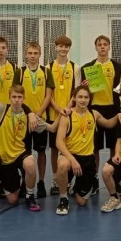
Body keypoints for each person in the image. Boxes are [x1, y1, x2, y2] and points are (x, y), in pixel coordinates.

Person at [0, 85, 56, 211]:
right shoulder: (1, 109)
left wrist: (65, 111)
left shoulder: (30, 117)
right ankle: (5, 184)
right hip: (5, 158)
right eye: (14, 97)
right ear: (9, 98)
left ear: (24, 98)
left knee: (30, 164)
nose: (17, 100)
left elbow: (52, 128)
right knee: (12, 200)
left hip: (20, 154)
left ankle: (29, 196)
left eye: (19, 97)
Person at [55, 85, 121, 215]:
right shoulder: (67, 115)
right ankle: (63, 199)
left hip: (87, 159)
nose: (83, 100)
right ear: (74, 98)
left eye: (86, 97)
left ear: (89, 99)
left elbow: (108, 123)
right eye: (80, 97)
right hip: (70, 156)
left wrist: (118, 115)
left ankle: (77, 187)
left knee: (81, 202)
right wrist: (72, 160)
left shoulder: (94, 114)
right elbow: (59, 142)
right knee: (62, 165)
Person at [80, 35, 121, 192]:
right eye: (100, 44)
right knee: (95, 148)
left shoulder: (118, 67)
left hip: (113, 109)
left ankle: (114, 178)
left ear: (109, 46)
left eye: (105, 44)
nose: (103, 47)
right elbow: (84, 93)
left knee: (114, 147)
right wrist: (85, 86)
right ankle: (94, 179)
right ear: (96, 47)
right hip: (95, 110)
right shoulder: (88, 68)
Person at [14, 41, 54, 194]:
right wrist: (28, 114)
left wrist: (36, 115)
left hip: (40, 118)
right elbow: (16, 96)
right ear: (26, 54)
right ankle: (25, 182)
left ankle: (41, 182)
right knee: (24, 152)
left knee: (41, 152)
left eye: (35, 53)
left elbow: (48, 96)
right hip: (23, 119)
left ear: (40, 54)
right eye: (30, 53)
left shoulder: (46, 72)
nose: (32, 56)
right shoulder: (20, 72)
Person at [47, 35, 80, 198]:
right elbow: (47, 93)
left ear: (69, 49)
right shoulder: (48, 67)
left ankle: (69, 181)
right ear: (55, 47)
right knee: (54, 148)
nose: (63, 49)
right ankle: (55, 179)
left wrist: (67, 108)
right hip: (54, 113)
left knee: (69, 146)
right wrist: (57, 108)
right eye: (60, 46)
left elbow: (76, 91)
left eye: (66, 46)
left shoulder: (75, 67)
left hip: (69, 114)